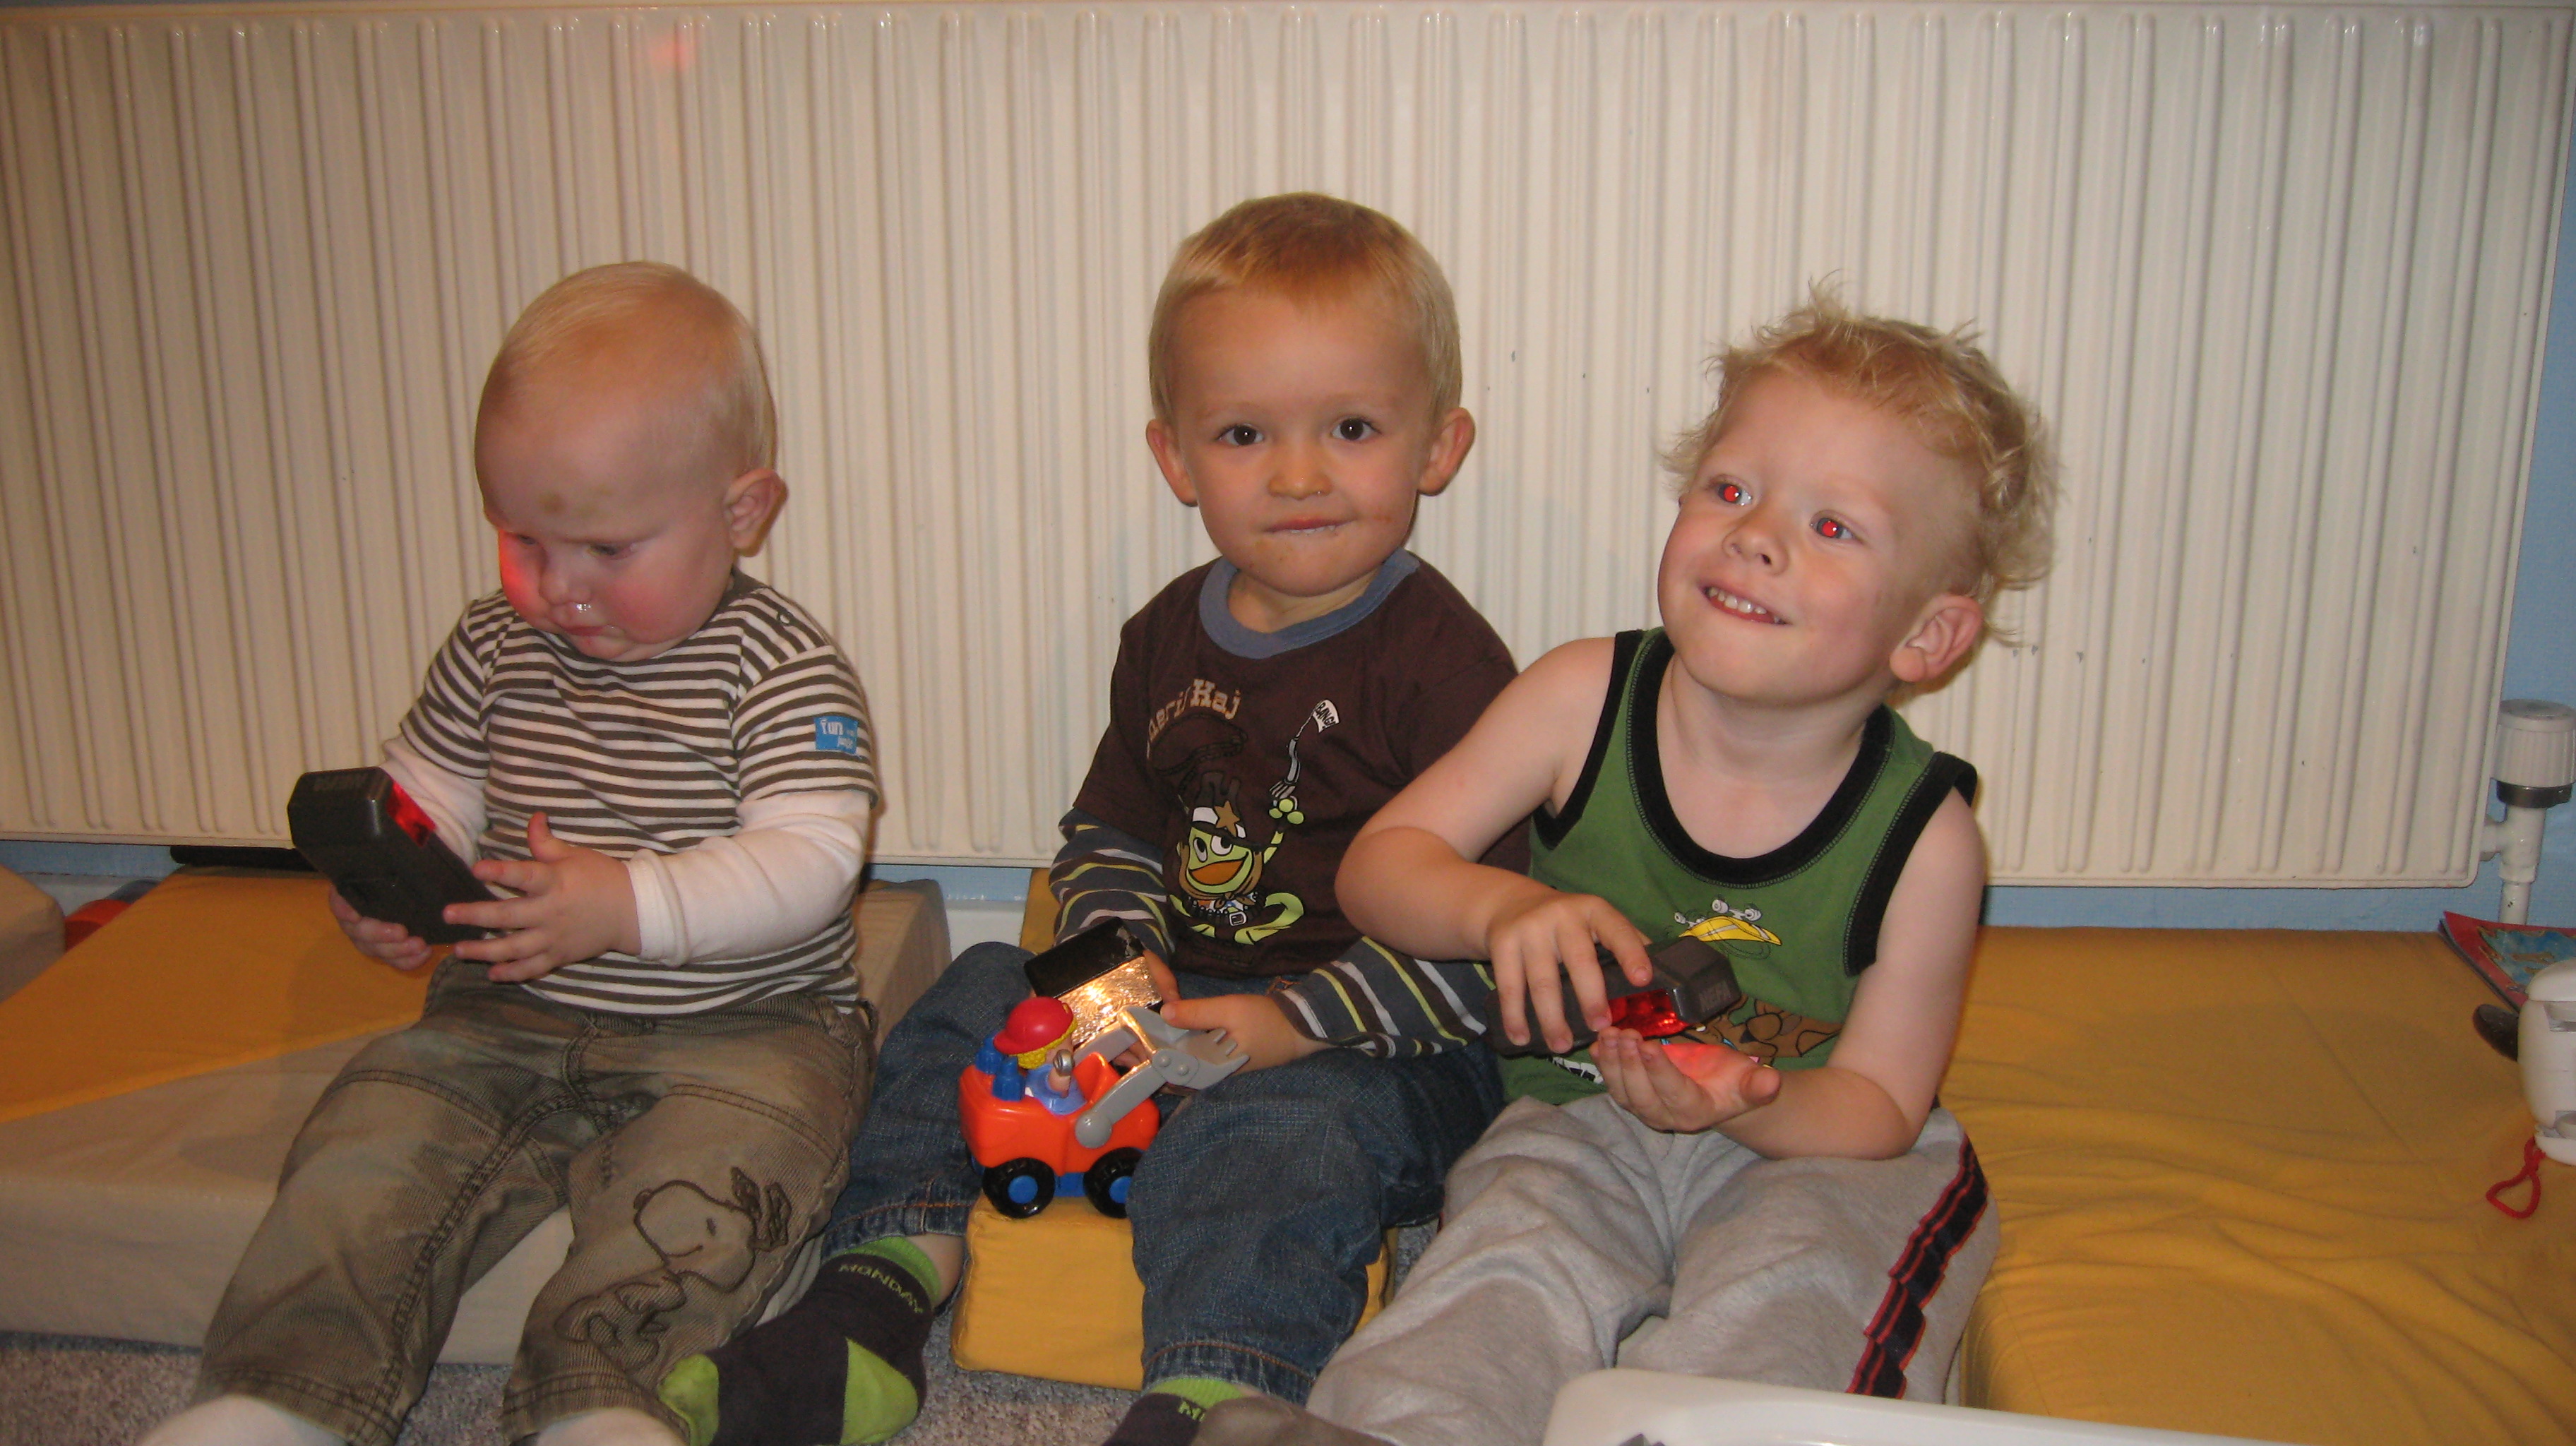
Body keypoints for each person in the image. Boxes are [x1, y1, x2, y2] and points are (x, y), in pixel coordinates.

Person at [660, 193, 1517, 1446]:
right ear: (1175, 459)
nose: (1298, 474)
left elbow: (1485, 947)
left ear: (1438, 446)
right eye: (1243, 433)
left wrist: (1288, 1026)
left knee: (1280, 1138)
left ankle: (1215, 1388)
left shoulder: (1446, 665)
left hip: (1372, 1040)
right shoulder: (1165, 635)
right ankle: (877, 1295)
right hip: (1178, 999)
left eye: (1350, 427)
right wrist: (1118, 966)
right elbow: (1112, 835)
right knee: (972, 993)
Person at [1200, 291, 2056, 1446]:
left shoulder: (1927, 842)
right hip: (1577, 1116)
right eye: (1731, 490)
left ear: (1927, 637)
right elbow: (1381, 868)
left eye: (1832, 526)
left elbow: (1882, 1106)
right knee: (1500, 1268)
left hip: (1811, 1149)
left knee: (1789, 1296)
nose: (1757, 536)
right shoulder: (1581, 696)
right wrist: (1499, 907)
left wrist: (1744, 1100)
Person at [138, 263, 881, 1446]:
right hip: (500, 1015)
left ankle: (601, 1406)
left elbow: (811, 859)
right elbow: (428, 789)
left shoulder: (779, 665)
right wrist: (398, 885)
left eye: (608, 548)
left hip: (743, 1031)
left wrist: (626, 904)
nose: (560, 587)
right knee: (365, 1155)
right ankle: (279, 1397)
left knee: (698, 1209)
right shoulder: (494, 644)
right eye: (523, 540)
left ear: (742, 513)